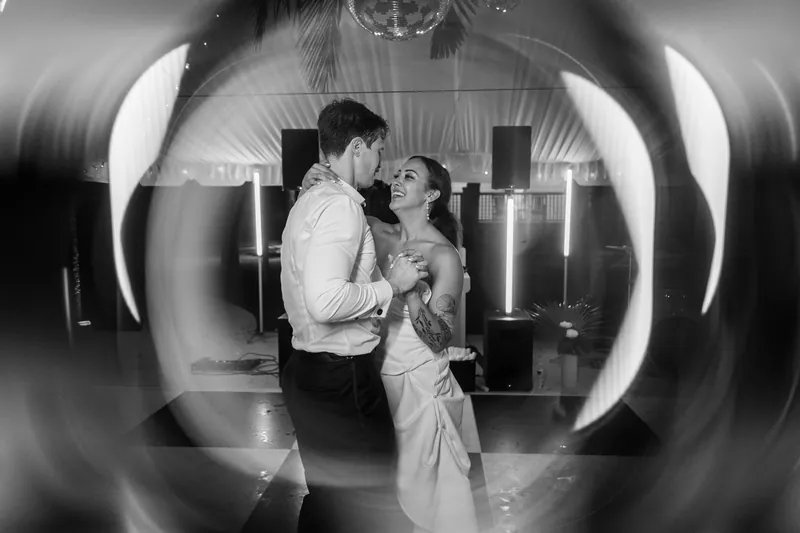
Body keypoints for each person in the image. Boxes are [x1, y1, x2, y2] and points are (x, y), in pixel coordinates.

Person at [302, 155, 480, 533]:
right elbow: (320, 224)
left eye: (409, 177)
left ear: (431, 193)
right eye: (397, 174)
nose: (396, 180)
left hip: (417, 383)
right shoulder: (374, 229)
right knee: (376, 479)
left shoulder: (443, 255)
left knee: (418, 486)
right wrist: (310, 186)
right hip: (369, 371)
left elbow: (440, 337)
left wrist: (413, 292)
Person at [280, 99, 425, 533]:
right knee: (369, 500)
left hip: (308, 372)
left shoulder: (308, 200)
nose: (382, 163)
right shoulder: (340, 207)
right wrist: (393, 286)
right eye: (380, 150)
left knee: (329, 498)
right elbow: (325, 302)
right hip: (342, 380)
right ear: (358, 146)